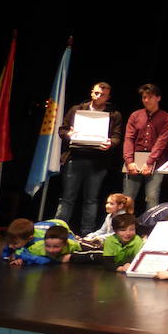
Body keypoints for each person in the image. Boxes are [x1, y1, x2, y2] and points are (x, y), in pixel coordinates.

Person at [55, 82, 123, 235]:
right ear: (92, 92)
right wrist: (68, 135)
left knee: (91, 199)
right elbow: (62, 130)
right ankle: (59, 231)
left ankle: (87, 233)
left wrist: (110, 143)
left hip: (98, 161)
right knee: (67, 198)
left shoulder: (114, 114)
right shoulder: (77, 109)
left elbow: (117, 137)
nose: (99, 96)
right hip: (75, 157)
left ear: (108, 97)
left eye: (103, 94)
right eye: (97, 93)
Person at [122, 84, 168, 212]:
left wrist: (150, 162)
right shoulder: (135, 115)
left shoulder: (166, 117)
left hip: (156, 161)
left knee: (151, 197)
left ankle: (149, 229)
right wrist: (129, 161)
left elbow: (162, 141)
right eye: (144, 97)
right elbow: (128, 138)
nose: (146, 100)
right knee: (127, 198)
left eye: (149, 97)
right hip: (134, 159)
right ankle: (123, 228)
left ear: (158, 98)